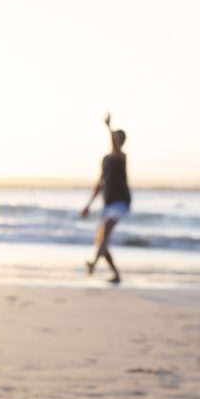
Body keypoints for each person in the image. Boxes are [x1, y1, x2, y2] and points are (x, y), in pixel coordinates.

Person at [81, 113, 131, 284]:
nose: (114, 141)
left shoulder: (121, 157)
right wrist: (88, 205)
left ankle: (93, 265)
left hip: (121, 203)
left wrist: (108, 127)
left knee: (108, 226)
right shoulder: (105, 159)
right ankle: (116, 274)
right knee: (101, 242)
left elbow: (116, 148)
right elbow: (99, 184)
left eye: (117, 139)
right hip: (108, 203)